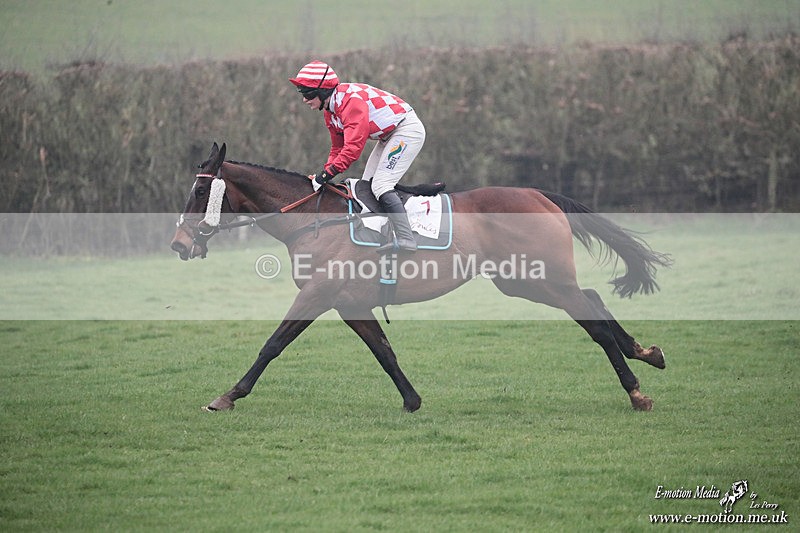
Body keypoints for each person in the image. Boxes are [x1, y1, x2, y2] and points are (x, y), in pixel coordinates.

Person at [289, 60, 425, 253]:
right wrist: (325, 173)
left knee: (381, 186)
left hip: (406, 130)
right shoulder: (330, 111)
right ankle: (384, 233)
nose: (304, 99)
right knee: (366, 186)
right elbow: (338, 148)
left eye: (307, 93)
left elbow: (352, 149)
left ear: (323, 90)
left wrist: (326, 176)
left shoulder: (350, 103)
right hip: (389, 135)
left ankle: (407, 239)